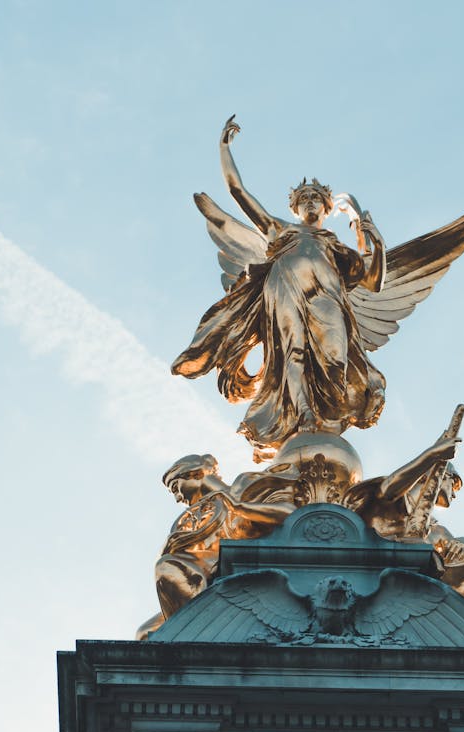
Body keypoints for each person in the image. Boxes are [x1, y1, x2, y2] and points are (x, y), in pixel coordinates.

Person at [172, 116, 387, 459]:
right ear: (295, 207)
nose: (310, 202)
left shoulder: (335, 245)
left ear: (326, 207)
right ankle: (304, 413)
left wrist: (376, 242)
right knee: (292, 352)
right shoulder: (280, 230)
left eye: (316, 198)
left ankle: (328, 418)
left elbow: (374, 282)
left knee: (336, 358)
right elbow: (238, 192)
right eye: (304, 198)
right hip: (285, 291)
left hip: (327, 299)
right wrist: (224, 149)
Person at [136, 454, 295, 639]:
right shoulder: (195, 518)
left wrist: (239, 507)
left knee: (167, 566)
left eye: (175, 487)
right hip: (201, 579)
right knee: (144, 634)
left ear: (195, 474)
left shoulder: (242, 486)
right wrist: (171, 544)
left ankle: (198, 640)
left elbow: (289, 513)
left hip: (230, 577)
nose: (178, 498)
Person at [345, 442, 464, 621]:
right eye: (453, 483)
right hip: (378, 579)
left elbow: (456, 546)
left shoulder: (436, 529)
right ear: (438, 475)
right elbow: (387, 490)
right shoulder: (395, 500)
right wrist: (433, 455)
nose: (454, 493)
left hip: (421, 587)